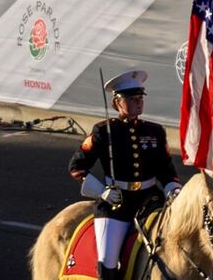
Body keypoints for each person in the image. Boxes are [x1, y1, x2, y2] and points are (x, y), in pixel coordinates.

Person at [69, 70, 181, 280]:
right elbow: (77, 166)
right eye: (132, 99)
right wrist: (102, 192)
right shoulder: (105, 131)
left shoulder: (155, 131)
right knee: (108, 260)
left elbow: (166, 170)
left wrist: (173, 190)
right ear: (116, 103)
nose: (138, 103)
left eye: (140, 99)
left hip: (151, 200)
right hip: (117, 204)